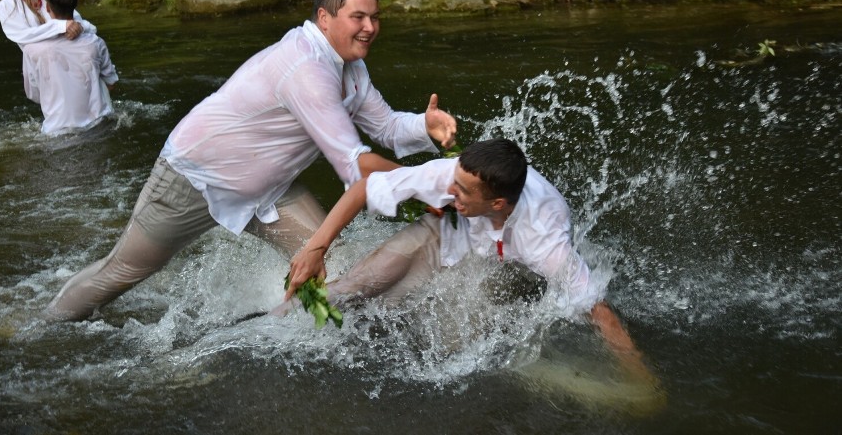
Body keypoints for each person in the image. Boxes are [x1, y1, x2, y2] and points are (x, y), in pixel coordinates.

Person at [45, 0, 457, 322]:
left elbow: (384, 125)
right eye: (358, 17)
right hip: (194, 177)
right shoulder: (305, 69)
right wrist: (427, 183)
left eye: (375, 17)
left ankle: (295, 338)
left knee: (330, 266)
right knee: (122, 272)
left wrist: (424, 125)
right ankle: (42, 327)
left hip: (269, 187)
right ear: (325, 18)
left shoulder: (350, 65)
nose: (369, 27)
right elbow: (354, 167)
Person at [278, 138, 658, 385]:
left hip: (508, 269)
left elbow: (598, 311)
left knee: (451, 353)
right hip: (443, 234)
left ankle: (528, 370)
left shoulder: (544, 240)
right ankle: (273, 323)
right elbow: (365, 186)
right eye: (453, 182)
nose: (448, 191)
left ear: (497, 203)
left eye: (461, 191)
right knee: (349, 293)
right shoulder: (453, 175)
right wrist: (316, 249)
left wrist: (642, 380)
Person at [22, 0, 119, 134]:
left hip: (55, 132)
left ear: (47, 7)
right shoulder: (95, 43)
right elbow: (111, 82)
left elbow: (34, 94)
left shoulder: (31, 50)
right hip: (98, 128)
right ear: (75, 6)